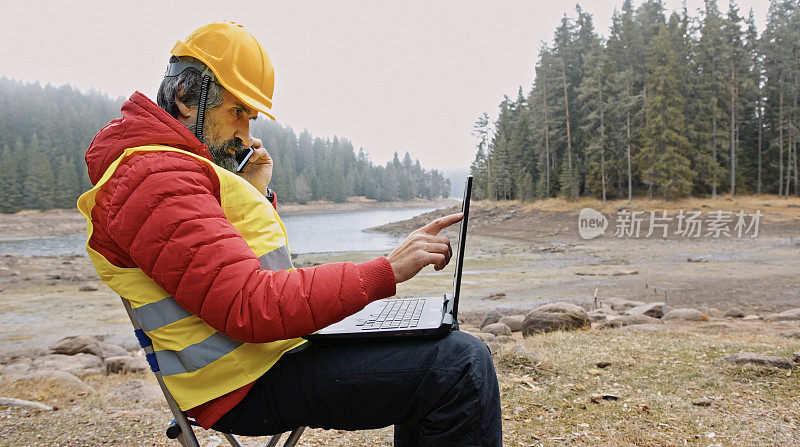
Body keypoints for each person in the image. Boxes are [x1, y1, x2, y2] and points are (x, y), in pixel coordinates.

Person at [77, 21, 501, 446]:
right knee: (459, 367)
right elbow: (247, 304)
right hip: (241, 383)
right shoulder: (154, 177)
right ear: (187, 99)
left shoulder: (169, 167)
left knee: (441, 344)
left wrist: (255, 191)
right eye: (236, 111)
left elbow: (237, 265)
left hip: (265, 356)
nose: (245, 133)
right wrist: (384, 271)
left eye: (250, 116)